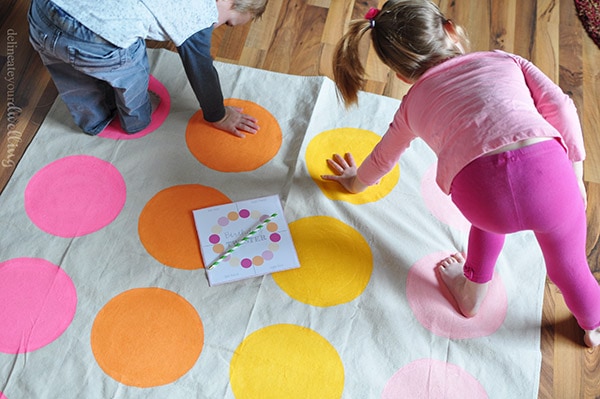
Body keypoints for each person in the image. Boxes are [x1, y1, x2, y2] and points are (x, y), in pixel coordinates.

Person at [321, 0, 600, 348]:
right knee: (569, 267)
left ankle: (472, 292)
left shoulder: (410, 105)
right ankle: (592, 325)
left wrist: (353, 181)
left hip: (481, 197)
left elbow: (383, 157)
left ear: (402, 75)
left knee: (485, 220)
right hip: (549, 182)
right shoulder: (505, 60)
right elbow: (560, 106)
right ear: (450, 31)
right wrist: (575, 171)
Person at [27, 0, 266, 137]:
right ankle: (136, 121)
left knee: (70, 76)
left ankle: (93, 121)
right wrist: (218, 114)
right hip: (94, 36)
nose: (217, 26)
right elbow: (201, 70)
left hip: (42, 11)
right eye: (228, 22)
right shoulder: (201, 14)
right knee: (132, 71)